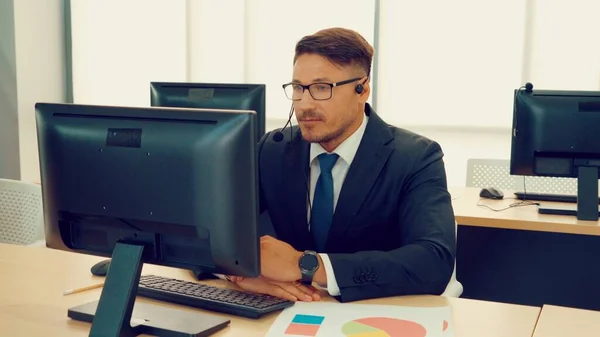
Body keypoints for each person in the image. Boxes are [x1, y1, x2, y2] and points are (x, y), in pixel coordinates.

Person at [228, 27, 456, 303]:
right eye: (298, 88)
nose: (304, 104)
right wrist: (241, 276)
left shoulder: (416, 157)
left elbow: (433, 261)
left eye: (322, 88)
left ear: (362, 90)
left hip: (373, 313)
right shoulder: (272, 149)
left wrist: (305, 265)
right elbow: (210, 230)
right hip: (291, 311)